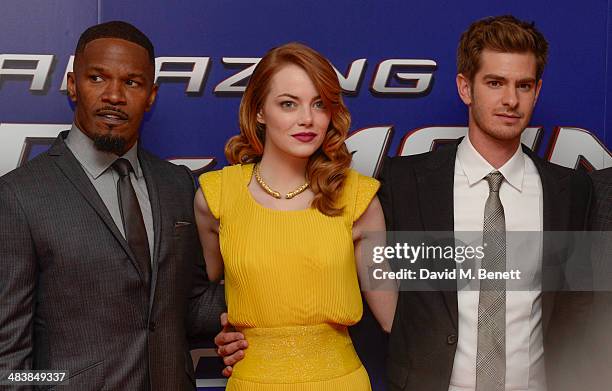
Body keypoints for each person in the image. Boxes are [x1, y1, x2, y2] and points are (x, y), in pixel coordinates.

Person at [0, 21, 224, 390]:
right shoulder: (19, 197)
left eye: (131, 82)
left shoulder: (177, 184)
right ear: (73, 85)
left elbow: (189, 305)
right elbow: (8, 363)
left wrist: (281, 283)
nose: (114, 96)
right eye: (98, 78)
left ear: (151, 95)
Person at [379, 16, 592, 391]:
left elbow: (578, 306)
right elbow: (359, 277)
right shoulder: (403, 182)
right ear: (465, 87)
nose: (511, 99)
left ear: (537, 91)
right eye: (495, 83)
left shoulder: (571, 190)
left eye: (523, 85)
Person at [195, 42, 394, 390]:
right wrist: (226, 327)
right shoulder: (215, 196)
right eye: (288, 104)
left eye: (319, 104)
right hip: (252, 381)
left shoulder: (358, 197)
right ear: (259, 111)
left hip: (340, 381)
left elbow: (394, 317)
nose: (308, 119)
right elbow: (198, 298)